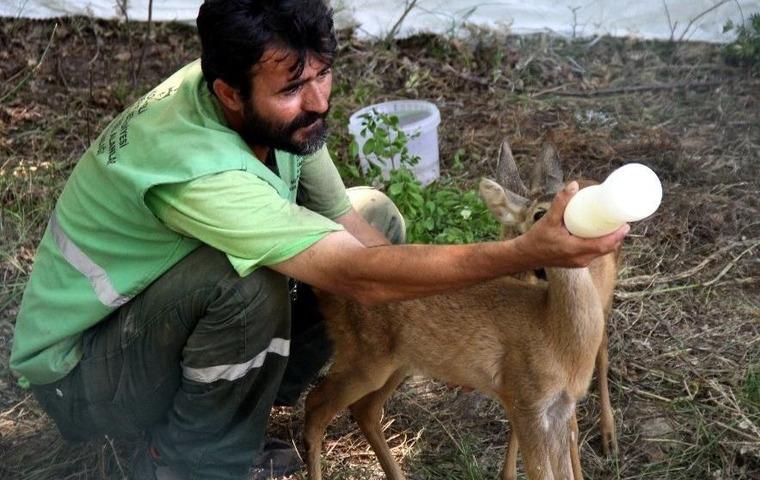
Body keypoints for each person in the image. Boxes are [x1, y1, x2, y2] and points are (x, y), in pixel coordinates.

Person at [9, 0, 629, 478]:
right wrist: (524, 255)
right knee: (242, 283)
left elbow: (360, 242)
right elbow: (358, 276)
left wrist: (452, 318)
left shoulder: (260, 84)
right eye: (292, 90)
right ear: (229, 92)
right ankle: (187, 458)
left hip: (154, 331)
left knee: (377, 215)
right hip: (85, 375)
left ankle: (253, 392)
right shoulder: (196, 166)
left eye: (324, 75)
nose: (317, 101)